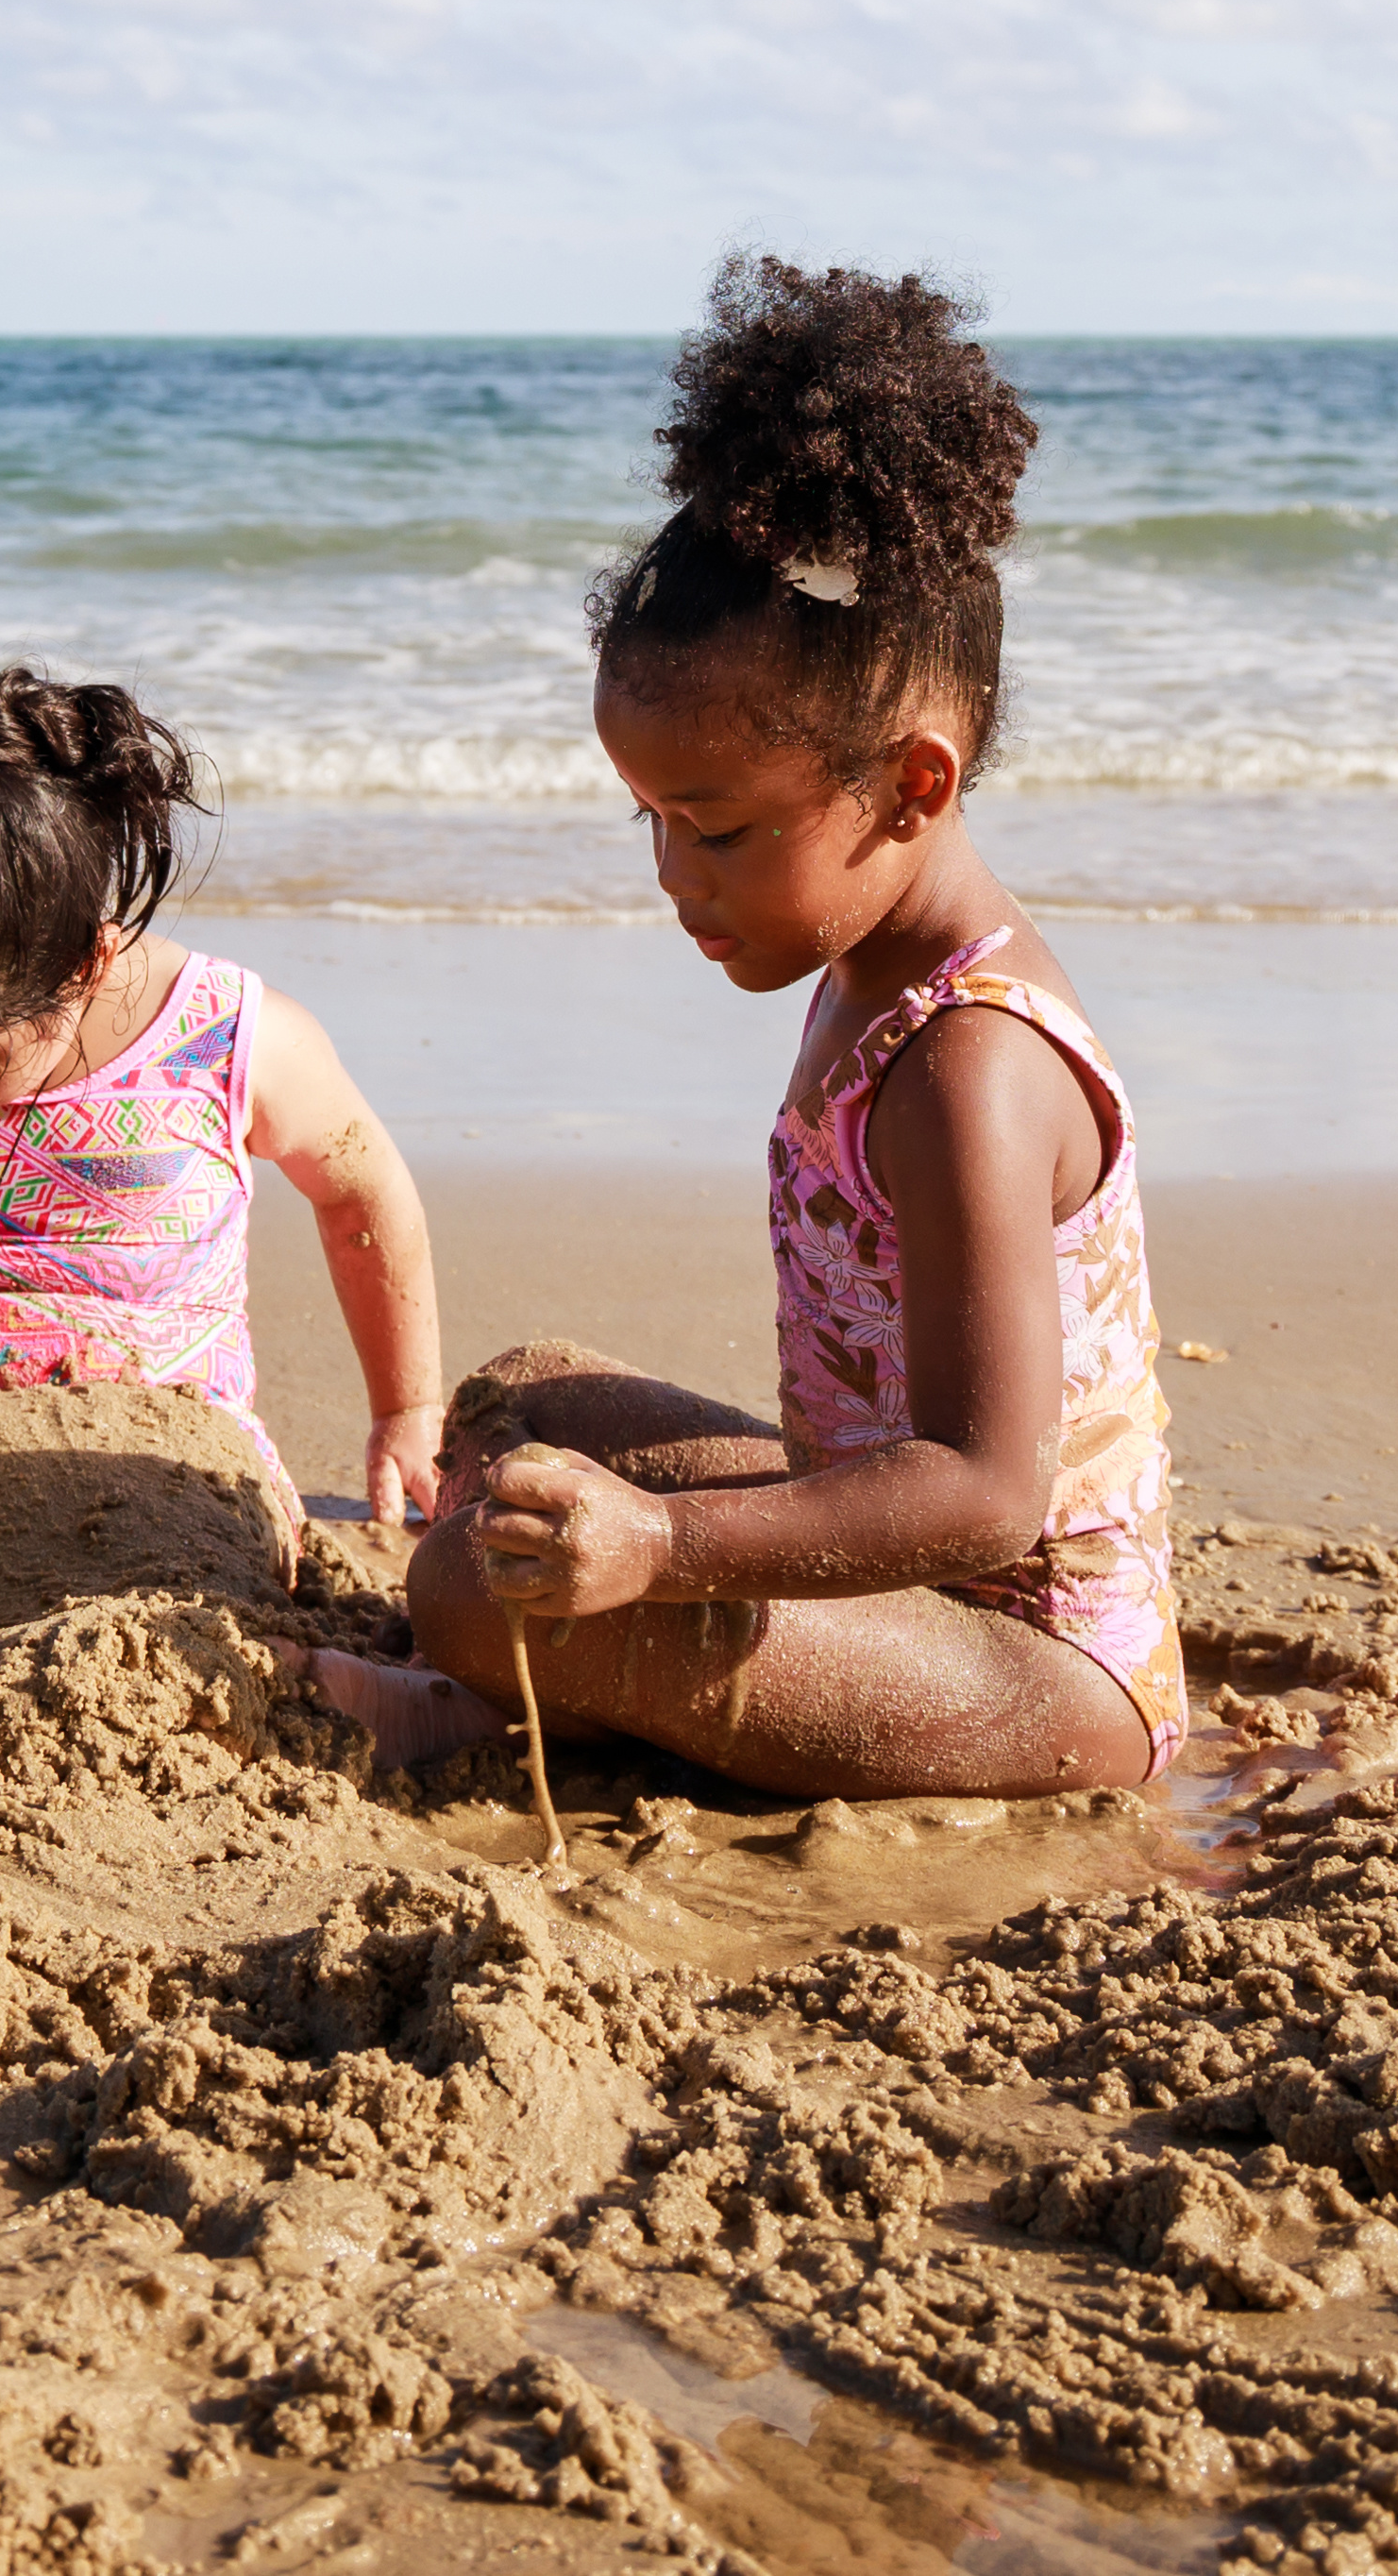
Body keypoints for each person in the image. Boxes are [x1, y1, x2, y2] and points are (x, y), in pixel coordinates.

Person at [407, 256, 1180, 1798]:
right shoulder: (857, 957)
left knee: (464, 1590)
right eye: (648, 823)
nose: (674, 880)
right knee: (521, 1403)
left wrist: (668, 1544)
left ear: (911, 784)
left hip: (1038, 1666)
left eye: (717, 829)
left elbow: (982, 1495)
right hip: (892, 1578)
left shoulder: (971, 1071)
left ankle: (488, 1700)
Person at [0, 670, 451, 1533]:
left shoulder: (230, 1038)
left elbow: (360, 1194)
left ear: (84, 967)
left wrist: (406, 1409)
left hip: (171, 1468)